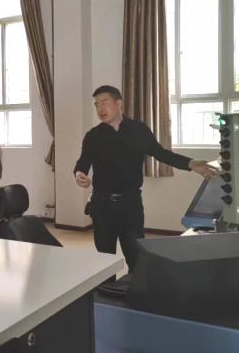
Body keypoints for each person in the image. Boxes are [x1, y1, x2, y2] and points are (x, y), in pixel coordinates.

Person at [74, 85, 219, 271]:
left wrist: (190, 163)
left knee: (136, 256)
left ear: (118, 103)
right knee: (104, 259)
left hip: (130, 205)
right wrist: (79, 174)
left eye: (104, 103)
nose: (100, 109)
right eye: (96, 105)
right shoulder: (93, 136)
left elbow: (161, 153)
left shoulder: (138, 130)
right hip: (102, 206)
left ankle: (136, 288)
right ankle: (106, 288)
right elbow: (83, 163)